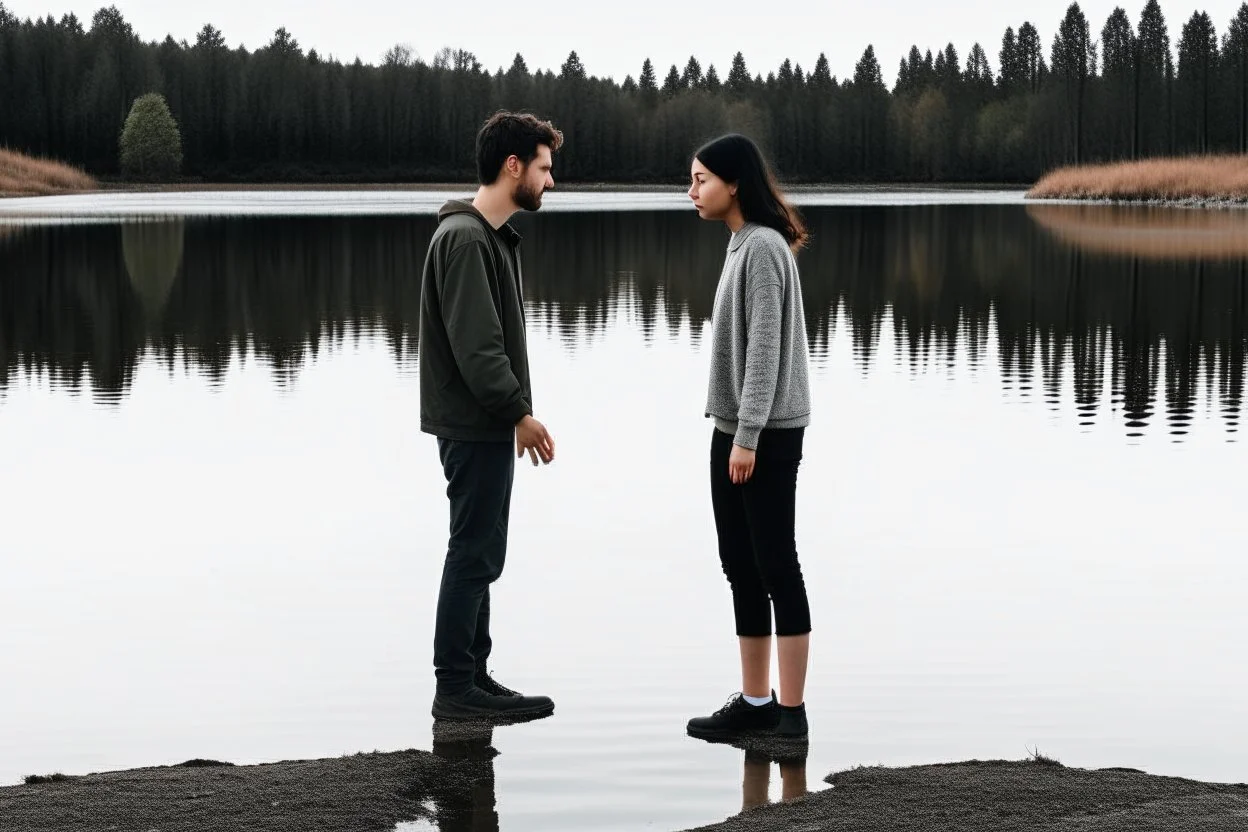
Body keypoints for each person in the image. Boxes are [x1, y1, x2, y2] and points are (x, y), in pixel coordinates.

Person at [418, 111, 563, 721]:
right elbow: (478, 349)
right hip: (475, 421)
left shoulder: (487, 237)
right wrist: (519, 413)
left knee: (482, 549)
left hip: (482, 422)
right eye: (544, 167)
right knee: (472, 551)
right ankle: (455, 688)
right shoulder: (466, 239)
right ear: (513, 167)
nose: (550, 182)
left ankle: (475, 675)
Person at [684, 133, 813, 743]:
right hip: (735, 429)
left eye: (701, 179)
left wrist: (749, 436)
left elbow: (764, 349)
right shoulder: (742, 243)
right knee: (739, 563)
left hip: (763, 434)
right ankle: (757, 703)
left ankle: (791, 715)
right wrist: (735, 432)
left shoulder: (761, 247)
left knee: (775, 564)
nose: (693, 191)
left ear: (733, 183)